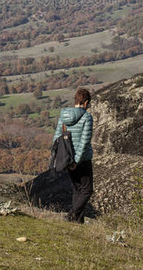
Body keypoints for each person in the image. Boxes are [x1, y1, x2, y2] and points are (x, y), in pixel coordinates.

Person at [52, 88, 93, 223]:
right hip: (82, 159)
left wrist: (61, 157)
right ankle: (72, 215)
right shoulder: (86, 117)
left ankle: (78, 222)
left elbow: (57, 138)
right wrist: (77, 160)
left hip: (67, 157)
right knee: (87, 190)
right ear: (86, 102)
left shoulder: (64, 115)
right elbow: (84, 141)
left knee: (77, 189)